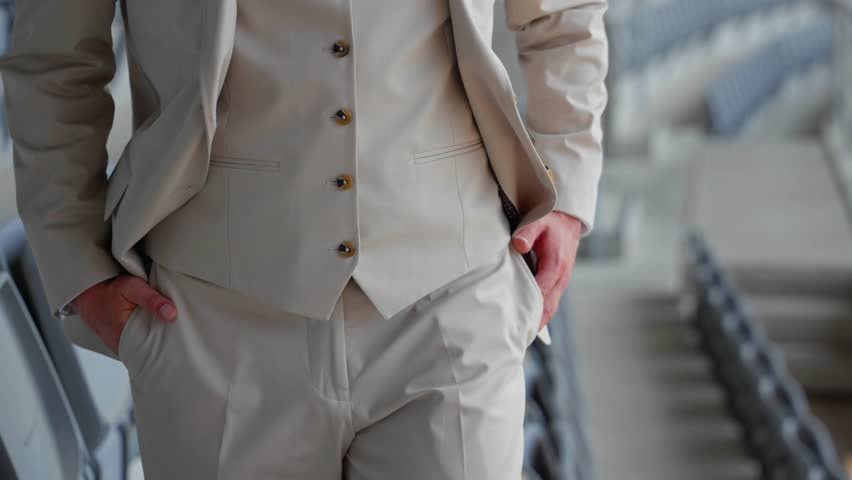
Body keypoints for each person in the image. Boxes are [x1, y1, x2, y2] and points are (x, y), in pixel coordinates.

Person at [0, 0, 608, 477]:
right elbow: (53, 61)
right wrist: (76, 262)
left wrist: (569, 187)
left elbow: (564, 14)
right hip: (211, 323)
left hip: (453, 301)